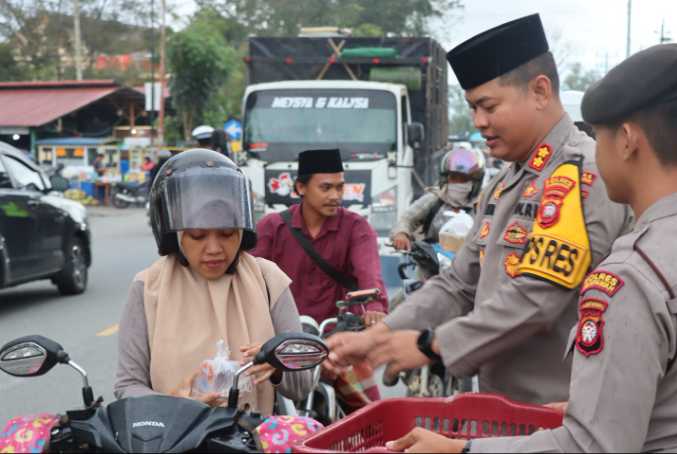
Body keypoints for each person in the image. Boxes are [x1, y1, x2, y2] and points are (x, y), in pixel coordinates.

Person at [387, 43, 677, 454]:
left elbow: (591, 447)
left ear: (627, 141)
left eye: (599, 137)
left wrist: (462, 450)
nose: (593, 151)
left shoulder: (631, 277)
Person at [327, 14, 630, 405]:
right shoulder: (504, 183)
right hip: (501, 408)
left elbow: (538, 297)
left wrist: (432, 344)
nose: (479, 122)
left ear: (540, 91)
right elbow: (459, 283)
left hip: (561, 412)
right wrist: (378, 335)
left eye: (488, 106)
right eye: (472, 108)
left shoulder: (581, 173)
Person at [114, 148, 312, 414]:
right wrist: (176, 405)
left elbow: (301, 386)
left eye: (227, 233)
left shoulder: (268, 280)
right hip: (173, 434)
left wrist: (275, 366)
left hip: (253, 434)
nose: (214, 249)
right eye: (197, 236)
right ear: (176, 234)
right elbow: (127, 386)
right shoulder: (148, 287)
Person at [253, 148, 388, 326]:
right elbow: (251, 277)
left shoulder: (357, 227)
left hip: (340, 329)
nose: (335, 196)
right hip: (284, 330)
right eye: (326, 188)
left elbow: (368, 272)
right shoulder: (272, 227)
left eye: (340, 187)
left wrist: (375, 306)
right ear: (301, 187)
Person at [390, 147, 485, 251]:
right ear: (446, 178)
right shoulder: (435, 198)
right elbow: (407, 218)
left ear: (475, 182)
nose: (458, 182)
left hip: (469, 258)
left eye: (463, 179)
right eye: (454, 177)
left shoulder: (483, 206)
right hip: (431, 258)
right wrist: (401, 234)